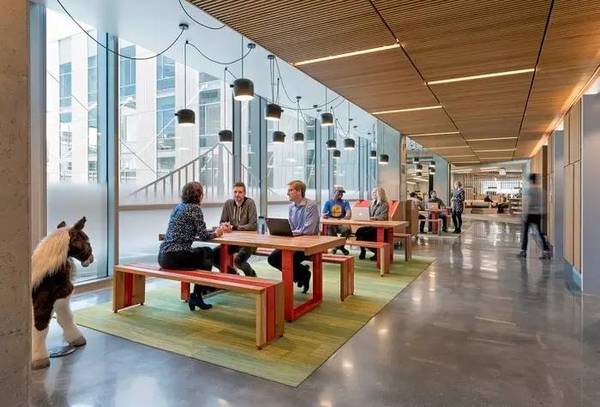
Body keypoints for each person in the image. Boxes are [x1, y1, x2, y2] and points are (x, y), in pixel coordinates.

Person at [158, 181, 226, 311]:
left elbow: (187, 230)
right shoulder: (195, 209)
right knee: (207, 253)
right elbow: (203, 235)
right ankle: (198, 294)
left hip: (163, 256)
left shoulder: (178, 207)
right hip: (176, 256)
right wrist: (216, 233)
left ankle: (201, 290)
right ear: (199, 195)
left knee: (201, 254)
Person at [267, 180, 319, 293]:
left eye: (290, 190)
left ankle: (301, 274)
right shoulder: (291, 207)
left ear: (299, 191)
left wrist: (292, 233)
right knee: (272, 258)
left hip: (309, 244)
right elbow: (291, 226)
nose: (287, 193)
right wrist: (284, 231)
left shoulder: (311, 206)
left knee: (287, 259)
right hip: (294, 242)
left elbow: (309, 230)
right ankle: (302, 274)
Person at [212, 182, 258, 277]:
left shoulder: (250, 203)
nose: (237, 194)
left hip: (248, 242)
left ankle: (252, 276)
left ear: (244, 193)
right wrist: (224, 226)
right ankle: (232, 274)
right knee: (213, 255)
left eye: (240, 192)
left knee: (238, 260)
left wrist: (234, 227)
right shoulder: (228, 203)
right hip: (232, 242)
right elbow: (222, 221)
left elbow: (253, 225)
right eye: (235, 192)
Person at [519, 173, 552, 259]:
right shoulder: (542, 191)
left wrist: (524, 215)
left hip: (529, 214)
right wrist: (543, 212)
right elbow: (544, 204)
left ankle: (523, 251)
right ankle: (546, 251)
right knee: (540, 232)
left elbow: (526, 203)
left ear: (530, 181)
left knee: (525, 233)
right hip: (538, 214)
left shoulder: (528, 191)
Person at [356, 187, 389, 261]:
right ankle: (363, 250)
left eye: (374, 192)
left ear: (379, 194)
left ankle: (377, 252)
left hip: (380, 227)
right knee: (359, 231)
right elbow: (368, 213)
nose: (372, 194)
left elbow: (384, 217)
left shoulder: (384, 204)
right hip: (372, 225)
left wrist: (374, 218)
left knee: (364, 234)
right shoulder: (372, 203)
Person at [322, 185, 352, 255]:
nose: (341, 194)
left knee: (347, 229)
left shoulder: (345, 202)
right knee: (330, 227)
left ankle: (336, 247)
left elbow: (348, 214)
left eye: (342, 193)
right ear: (334, 192)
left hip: (341, 223)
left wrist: (343, 219)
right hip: (332, 223)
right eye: (339, 192)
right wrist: (326, 216)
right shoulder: (328, 202)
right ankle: (341, 247)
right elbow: (324, 215)